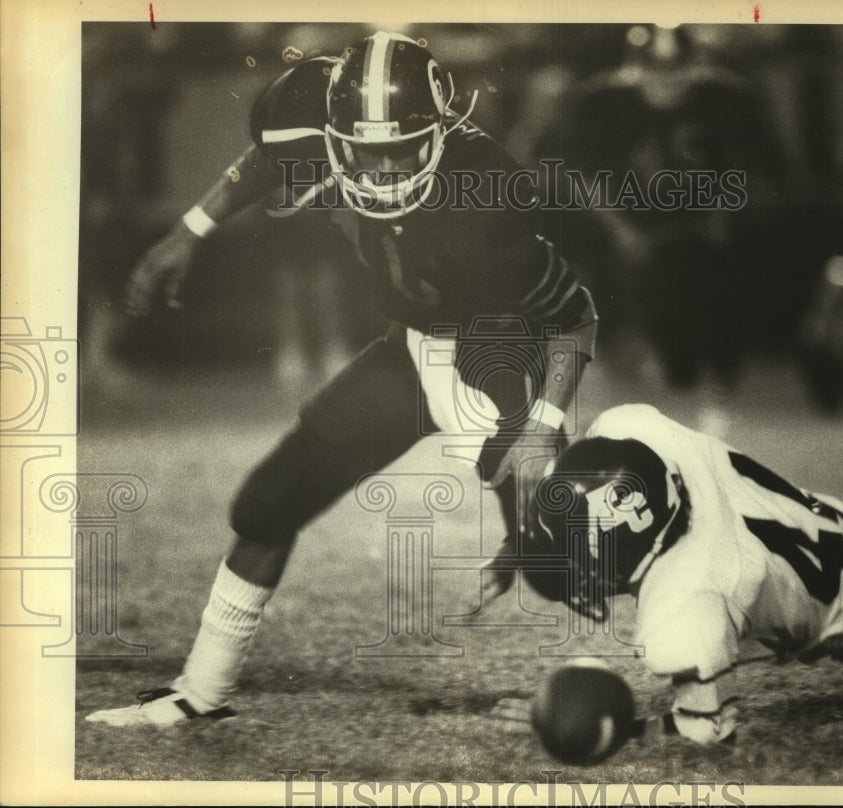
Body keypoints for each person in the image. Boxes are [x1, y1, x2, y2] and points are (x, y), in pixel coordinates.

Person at [87, 30, 597, 727]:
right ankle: (200, 693)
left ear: (439, 131)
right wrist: (191, 230)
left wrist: (540, 429)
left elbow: (575, 318)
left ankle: (671, 666)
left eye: (399, 152)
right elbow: (270, 158)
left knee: (555, 560)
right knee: (266, 506)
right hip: (407, 351)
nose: (383, 173)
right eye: (366, 152)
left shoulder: (489, 197)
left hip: (498, 356)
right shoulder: (306, 115)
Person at [517, 403, 843, 744]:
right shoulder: (638, 433)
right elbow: (595, 469)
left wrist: (601, 729)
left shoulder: (689, 596)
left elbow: (705, 727)